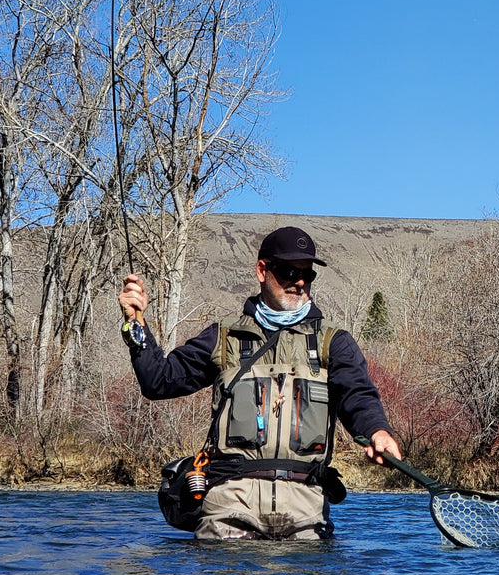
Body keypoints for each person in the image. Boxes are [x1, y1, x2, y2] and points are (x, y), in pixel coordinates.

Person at [118, 225, 402, 540]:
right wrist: (135, 322)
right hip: (228, 513)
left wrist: (378, 431)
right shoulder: (223, 337)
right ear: (262, 270)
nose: (299, 282)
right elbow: (160, 381)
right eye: (288, 271)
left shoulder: (334, 343)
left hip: (306, 516)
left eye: (307, 275)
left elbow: (358, 397)